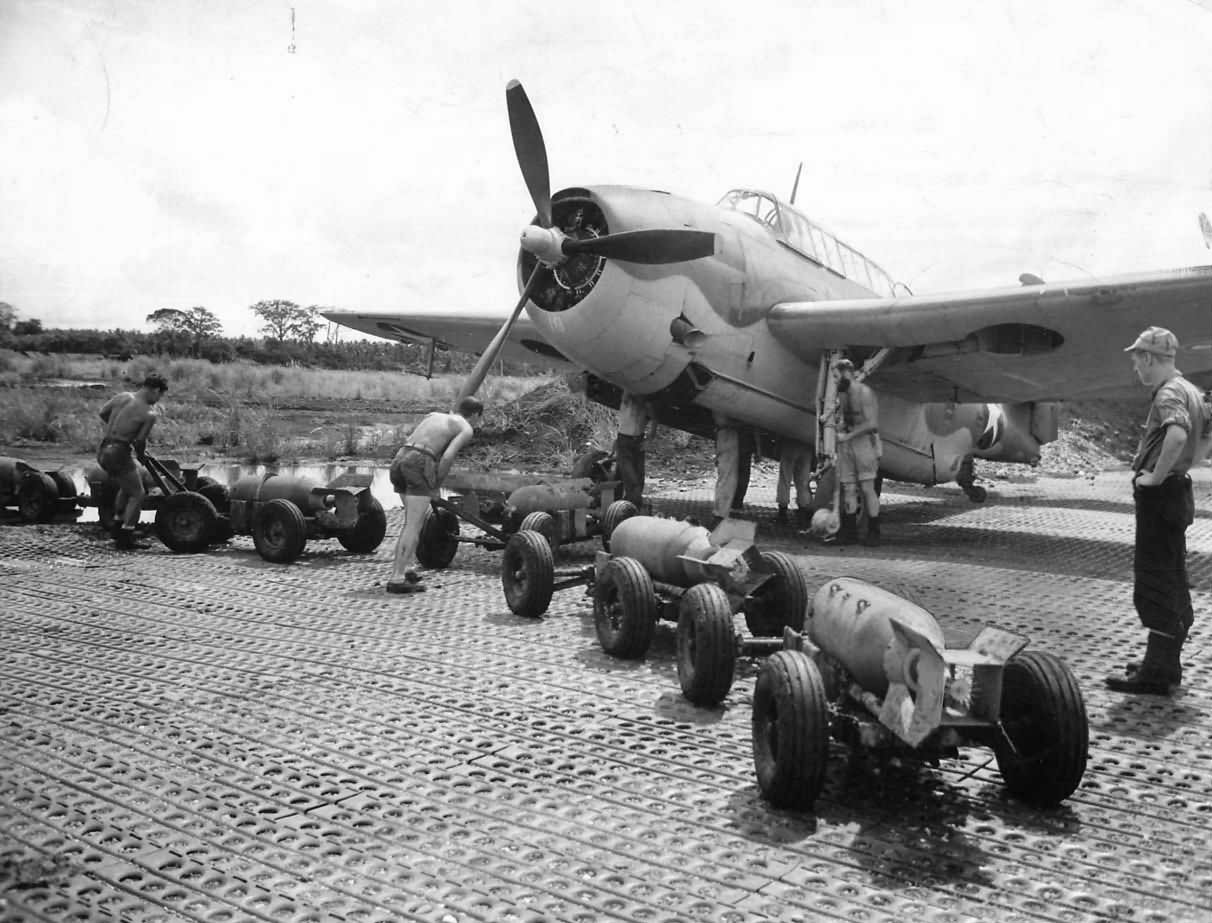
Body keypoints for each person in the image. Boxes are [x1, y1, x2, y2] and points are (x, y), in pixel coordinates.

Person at [1106, 327, 1209, 694]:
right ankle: (1163, 662)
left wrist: (1154, 478)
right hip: (1177, 492)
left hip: (1161, 496)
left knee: (1154, 582)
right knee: (1172, 577)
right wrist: (1184, 467)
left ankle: (1157, 674)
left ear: (1149, 358)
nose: (1137, 370)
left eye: (1137, 362)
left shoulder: (1168, 393)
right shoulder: (1191, 391)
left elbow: (1178, 434)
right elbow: (1205, 433)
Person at [386, 396, 483, 594]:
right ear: (475, 415)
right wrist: (435, 485)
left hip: (400, 458)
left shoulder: (434, 415)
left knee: (413, 521)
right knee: (412, 525)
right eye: (479, 418)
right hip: (419, 461)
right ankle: (396, 578)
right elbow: (447, 457)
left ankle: (408, 569)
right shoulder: (466, 428)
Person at [97, 372, 169, 549]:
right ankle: (126, 537)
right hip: (119, 452)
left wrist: (118, 430)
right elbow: (140, 442)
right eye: (160, 396)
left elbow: (102, 413)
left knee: (126, 487)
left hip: (104, 450)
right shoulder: (149, 414)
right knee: (138, 494)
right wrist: (142, 456)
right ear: (155, 390)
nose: (158, 400)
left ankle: (116, 526)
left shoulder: (121, 397)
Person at [834, 358, 882, 546]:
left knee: (867, 488)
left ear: (847, 373)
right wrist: (841, 427)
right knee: (848, 489)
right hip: (848, 445)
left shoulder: (865, 393)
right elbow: (847, 419)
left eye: (836, 376)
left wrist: (848, 435)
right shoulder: (844, 394)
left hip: (863, 444)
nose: (835, 381)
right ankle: (849, 532)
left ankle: (873, 532)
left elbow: (871, 423)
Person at [614, 392, 654, 507]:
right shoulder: (627, 402)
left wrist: (650, 438)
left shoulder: (646, 405)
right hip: (624, 441)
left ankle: (630, 503)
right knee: (630, 477)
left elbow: (655, 419)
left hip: (638, 441)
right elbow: (626, 388)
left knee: (638, 476)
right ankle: (629, 504)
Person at [776, 437, 814, 527]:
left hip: (790, 441)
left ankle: (782, 513)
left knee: (785, 479)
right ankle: (802, 515)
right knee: (803, 483)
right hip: (807, 444)